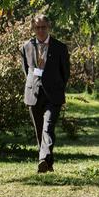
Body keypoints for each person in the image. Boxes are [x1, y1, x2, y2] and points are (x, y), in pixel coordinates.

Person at [21, 14, 70, 174]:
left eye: (43, 27)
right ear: (33, 29)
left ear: (49, 27)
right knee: (39, 130)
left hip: (53, 95)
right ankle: (48, 163)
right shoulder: (26, 46)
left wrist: (57, 86)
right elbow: (26, 70)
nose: (40, 30)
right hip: (33, 94)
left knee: (48, 128)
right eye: (37, 27)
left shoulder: (60, 47)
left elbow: (65, 73)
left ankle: (42, 159)